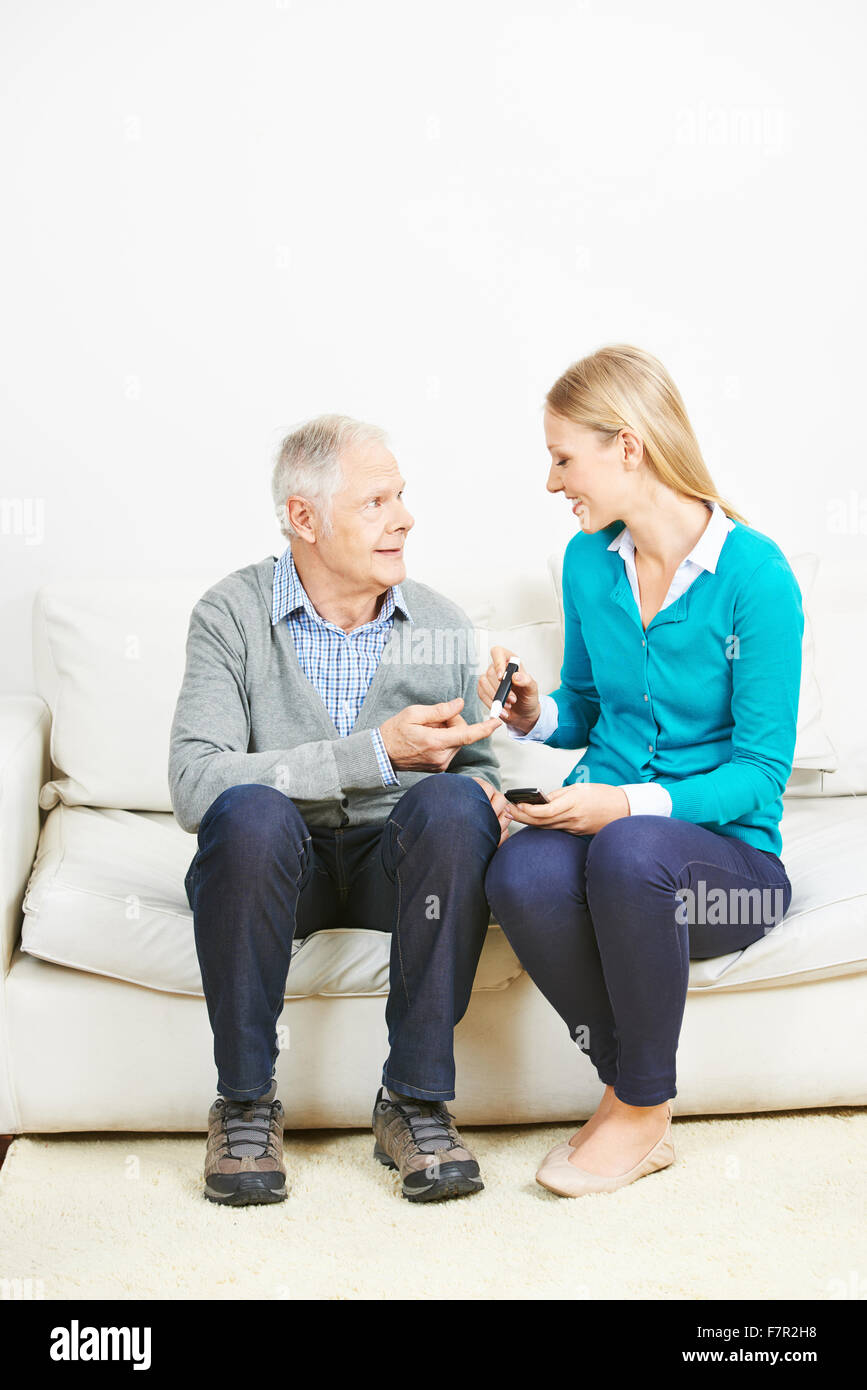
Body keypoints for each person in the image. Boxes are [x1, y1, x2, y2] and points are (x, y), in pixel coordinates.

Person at [481, 344, 802, 1197]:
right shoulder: (590, 560)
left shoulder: (756, 578)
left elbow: (762, 773)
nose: (552, 483)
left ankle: (640, 1106)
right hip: (614, 840)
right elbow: (585, 705)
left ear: (628, 447)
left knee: (629, 851)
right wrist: (531, 713)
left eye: (561, 457)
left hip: (729, 865)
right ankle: (630, 1092)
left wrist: (625, 803)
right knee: (521, 871)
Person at [169, 414, 509, 1207]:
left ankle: (414, 1102)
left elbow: (475, 768)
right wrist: (374, 754)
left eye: (402, 497)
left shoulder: (438, 621)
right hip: (277, 870)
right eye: (375, 502)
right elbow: (194, 784)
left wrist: (491, 784)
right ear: (304, 518)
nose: (404, 518)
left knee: (457, 806)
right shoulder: (230, 615)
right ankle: (245, 1104)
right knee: (248, 812)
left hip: (397, 869)